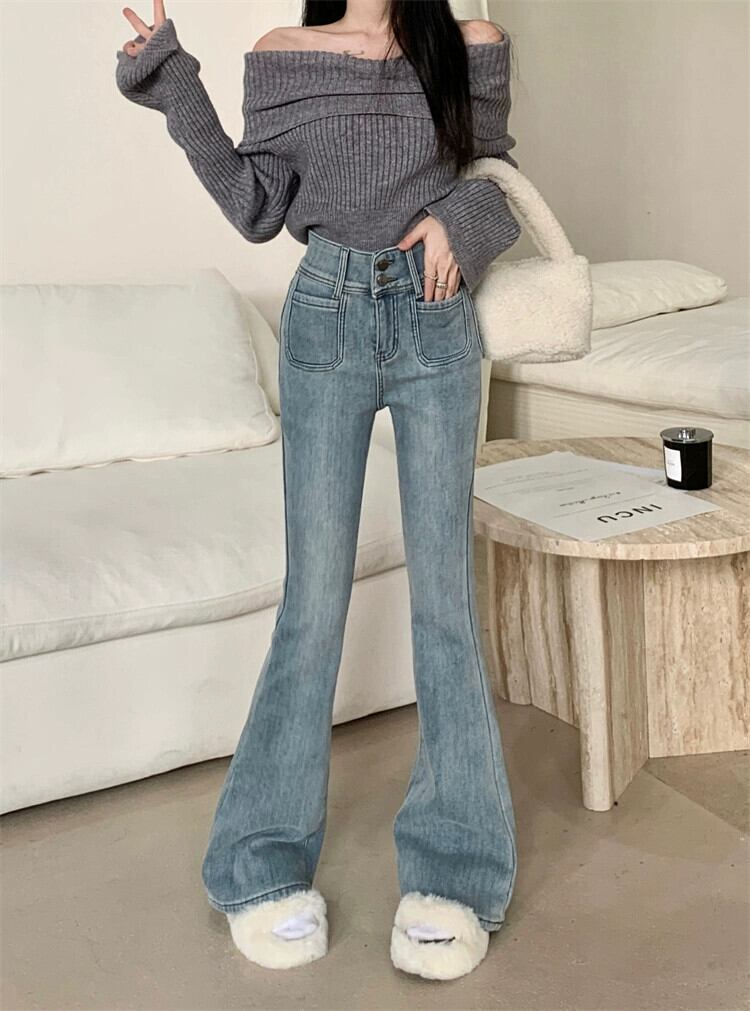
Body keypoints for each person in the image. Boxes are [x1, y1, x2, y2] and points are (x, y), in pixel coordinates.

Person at [116, 0, 521, 981]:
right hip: (327, 318)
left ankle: (456, 871)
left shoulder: (468, 41)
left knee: (446, 604)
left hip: (436, 323)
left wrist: (460, 222)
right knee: (312, 605)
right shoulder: (284, 53)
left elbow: (498, 177)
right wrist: (174, 82)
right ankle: (262, 862)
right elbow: (256, 204)